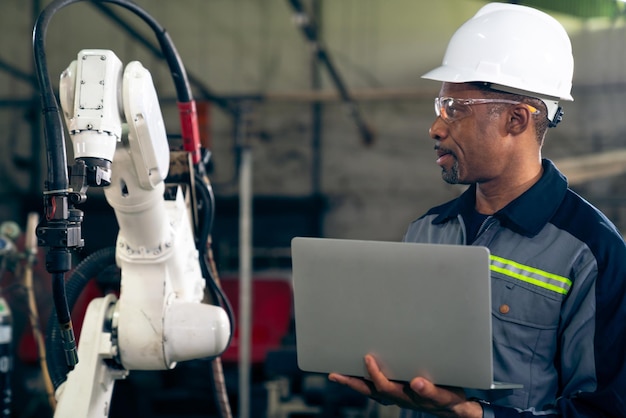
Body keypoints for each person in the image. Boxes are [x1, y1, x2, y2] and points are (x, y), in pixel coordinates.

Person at [328, 3, 626, 417]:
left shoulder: (591, 252)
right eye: (439, 107)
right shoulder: (428, 229)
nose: (436, 127)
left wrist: (479, 416)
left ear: (517, 120)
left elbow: (604, 410)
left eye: (456, 109)